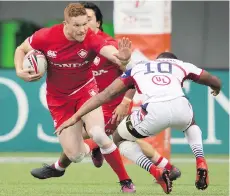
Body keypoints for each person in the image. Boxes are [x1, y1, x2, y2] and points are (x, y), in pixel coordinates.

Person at [30, 3, 179, 194]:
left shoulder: (107, 45)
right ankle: (166, 167)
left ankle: (61, 167)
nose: (83, 25)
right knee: (104, 138)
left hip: (112, 105)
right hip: (93, 101)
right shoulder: (74, 43)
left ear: (98, 23)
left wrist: (125, 102)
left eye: (88, 20)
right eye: (79, 22)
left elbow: (134, 74)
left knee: (101, 137)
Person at [55, 51, 222, 191]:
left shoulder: (139, 67)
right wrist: (216, 88)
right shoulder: (182, 65)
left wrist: (76, 116)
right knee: (190, 123)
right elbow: (214, 81)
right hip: (181, 106)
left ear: (157, 60)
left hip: (154, 111)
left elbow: (105, 95)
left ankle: (155, 171)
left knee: (119, 139)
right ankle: (200, 160)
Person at [14, 3, 135, 193]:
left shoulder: (91, 39)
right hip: (58, 101)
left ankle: (125, 181)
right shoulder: (46, 36)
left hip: (86, 92)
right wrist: (20, 71)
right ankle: (92, 149)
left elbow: (112, 55)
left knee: (98, 133)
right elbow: (21, 49)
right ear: (66, 24)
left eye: (85, 24)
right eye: (77, 25)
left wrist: (123, 57)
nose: (82, 30)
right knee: (76, 155)